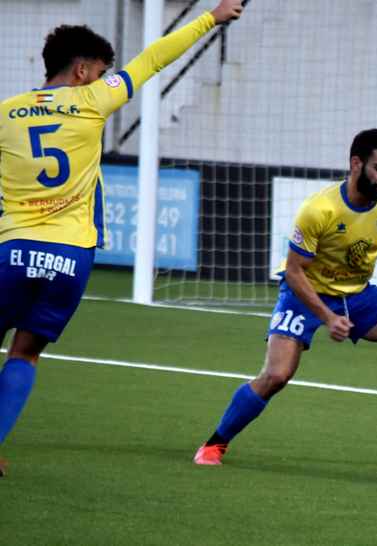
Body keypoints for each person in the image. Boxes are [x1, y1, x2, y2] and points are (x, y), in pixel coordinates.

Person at [0, 0, 245, 478]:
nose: (101, 78)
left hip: (12, 249)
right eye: (99, 71)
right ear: (83, 70)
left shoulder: (6, 114)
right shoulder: (94, 99)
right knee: (25, 353)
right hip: (70, 257)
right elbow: (153, 58)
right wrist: (209, 18)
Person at [193, 129, 377, 466]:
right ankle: (215, 443)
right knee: (277, 375)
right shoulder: (318, 210)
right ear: (356, 164)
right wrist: (328, 317)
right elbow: (295, 272)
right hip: (305, 295)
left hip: (357, 295)